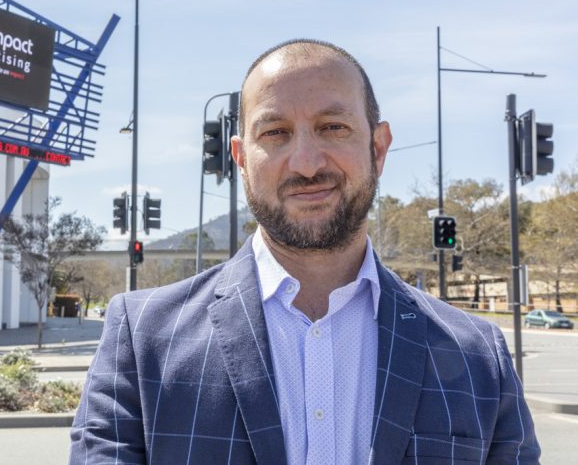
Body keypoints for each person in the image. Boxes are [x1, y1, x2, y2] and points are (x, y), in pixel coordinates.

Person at [69, 39, 540, 464]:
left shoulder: (480, 356)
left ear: (378, 148)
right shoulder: (144, 337)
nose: (307, 163)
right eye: (274, 133)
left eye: (332, 127)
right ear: (240, 159)